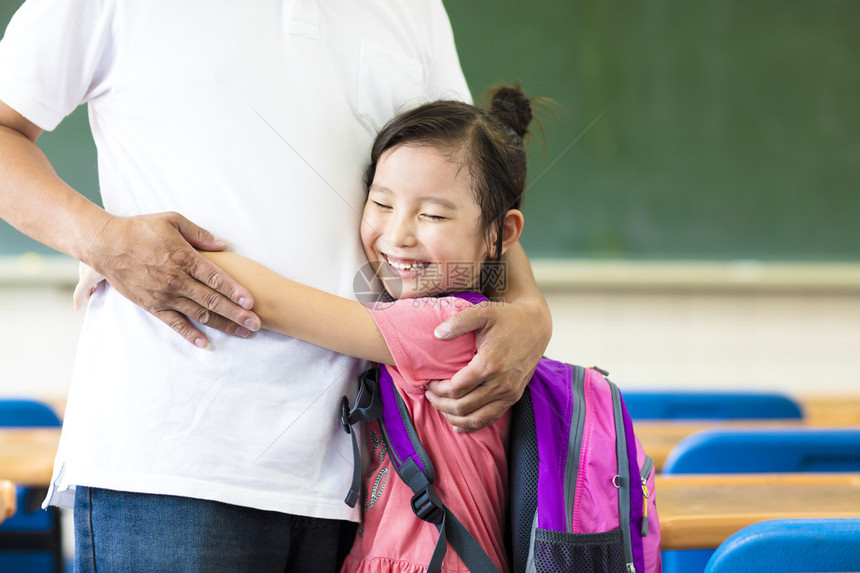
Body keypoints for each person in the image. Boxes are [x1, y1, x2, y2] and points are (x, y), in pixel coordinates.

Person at [0, 1, 551, 571]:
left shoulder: (414, 10)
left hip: (360, 480)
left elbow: (474, 189)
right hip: (175, 464)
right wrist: (100, 238)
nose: (401, 230)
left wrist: (532, 310)